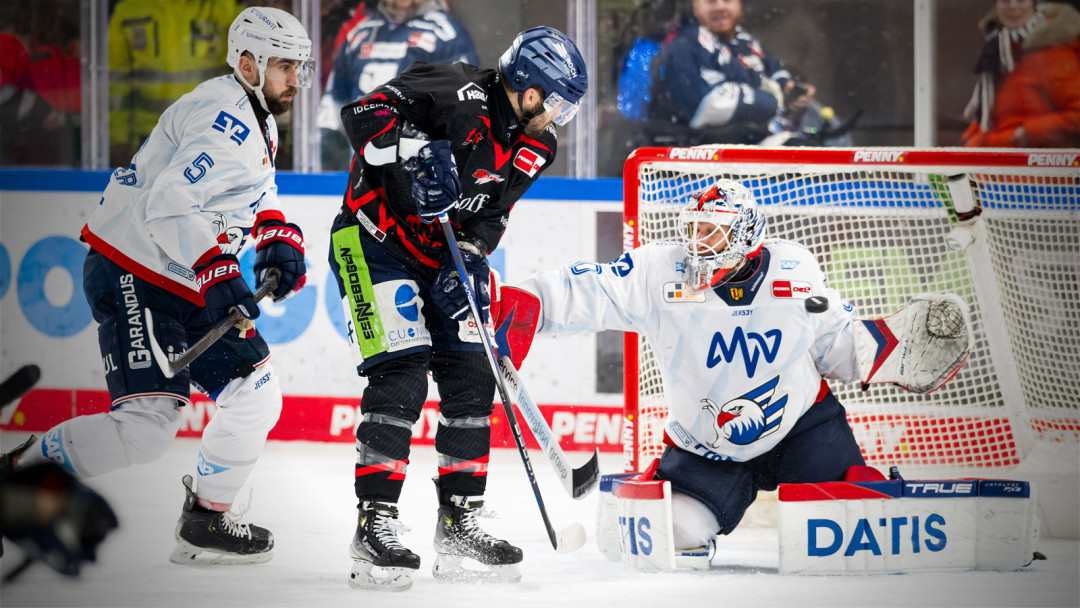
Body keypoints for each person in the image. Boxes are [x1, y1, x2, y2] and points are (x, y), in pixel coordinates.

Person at [501, 180, 970, 559]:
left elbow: (834, 338)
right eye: (694, 229)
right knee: (672, 535)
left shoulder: (796, 269)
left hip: (804, 430)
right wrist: (529, 304)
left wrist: (887, 351)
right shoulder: (659, 271)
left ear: (746, 237)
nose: (697, 243)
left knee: (856, 531)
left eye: (712, 232)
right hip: (706, 448)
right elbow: (594, 288)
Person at [0, 6, 313, 566]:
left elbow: (252, 186)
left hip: (184, 278)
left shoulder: (253, 111)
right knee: (145, 428)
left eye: (299, 67)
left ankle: (206, 519)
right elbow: (168, 202)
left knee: (255, 394)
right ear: (248, 63)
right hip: (136, 273)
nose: (296, 79)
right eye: (286, 66)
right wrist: (219, 270)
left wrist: (275, 231)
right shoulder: (227, 119)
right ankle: (12, 478)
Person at [327, 26, 587, 589]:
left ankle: (459, 521)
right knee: (402, 373)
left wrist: (467, 256)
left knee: (473, 374)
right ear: (527, 88)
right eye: (558, 103)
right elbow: (359, 119)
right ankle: (374, 524)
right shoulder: (449, 87)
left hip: (438, 253)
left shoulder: (539, 145)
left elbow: (491, 216)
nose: (560, 118)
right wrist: (417, 152)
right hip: (371, 242)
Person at [317, 0, 479, 169]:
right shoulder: (361, 33)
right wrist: (327, 154)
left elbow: (467, 105)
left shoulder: (446, 33)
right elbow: (334, 106)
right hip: (363, 171)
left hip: (421, 171)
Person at [646, 0, 832, 146]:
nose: (720, 7)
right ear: (696, 6)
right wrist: (773, 100)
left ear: (739, 5)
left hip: (766, 146)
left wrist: (791, 91)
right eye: (711, 1)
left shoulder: (746, 41)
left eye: (727, 0)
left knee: (830, 143)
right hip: (711, 163)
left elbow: (775, 71)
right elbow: (708, 106)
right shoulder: (685, 45)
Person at [107, 0, 243, 166]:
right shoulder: (130, 10)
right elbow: (115, 83)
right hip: (149, 139)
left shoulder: (226, 8)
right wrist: (118, 138)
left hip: (213, 137)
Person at [961, 0, 1080, 148]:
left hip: (1037, 167)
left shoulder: (1053, 52)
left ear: (1034, 3)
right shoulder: (998, 51)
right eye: (1005, 1)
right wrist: (969, 140)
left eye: (1021, 0)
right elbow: (987, 115)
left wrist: (1027, 133)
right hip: (997, 164)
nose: (1013, 6)